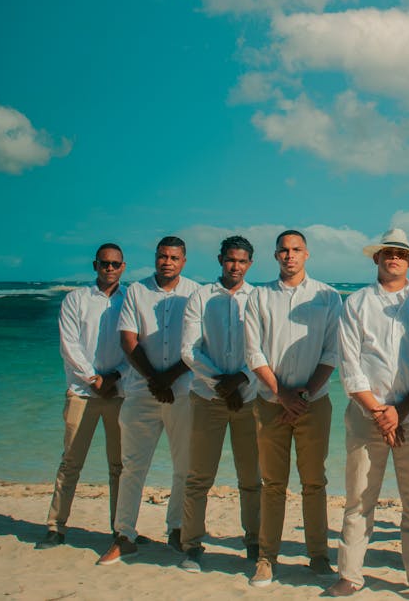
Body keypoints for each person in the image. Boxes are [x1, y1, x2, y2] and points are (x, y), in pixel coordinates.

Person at [325, 229, 409, 596]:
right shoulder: (356, 303)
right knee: (360, 495)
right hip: (365, 415)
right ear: (376, 258)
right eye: (387, 252)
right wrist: (380, 412)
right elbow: (349, 365)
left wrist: (400, 412)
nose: (394, 258)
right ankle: (350, 574)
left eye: (401, 253)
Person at [243, 229, 343, 587]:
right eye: (283, 250)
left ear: (307, 254)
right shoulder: (259, 296)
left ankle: (318, 556)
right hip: (270, 403)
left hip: (314, 404)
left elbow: (333, 352)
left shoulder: (328, 296)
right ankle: (267, 558)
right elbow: (253, 353)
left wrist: (301, 397)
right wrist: (282, 394)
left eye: (296, 250)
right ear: (275, 256)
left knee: (314, 482)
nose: (289, 256)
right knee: (272, 483)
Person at [99, 236, 200, 564]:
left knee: (183, 466)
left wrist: (168, 378)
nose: (167, 262)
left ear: (183, 261)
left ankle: (176, 529)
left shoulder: (195, 293)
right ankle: (124, 534)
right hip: (141, 392)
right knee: (132, 467)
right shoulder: (137, 292)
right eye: (161, 256)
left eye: (173, 257)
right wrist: (154, 379)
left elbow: (199, 343)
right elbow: (128, 340)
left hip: (182, 391)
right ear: (154, 259)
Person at [176, 235, 261, 572]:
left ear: (250, 264)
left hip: (249, 397)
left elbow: (264, 348)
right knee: (198, 476)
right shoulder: (200, 297)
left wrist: (241, 378)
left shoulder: (257, 298)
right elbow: (189, 350)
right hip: (207, 397)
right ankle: (192, 546)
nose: (235, 266)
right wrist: (221, 383)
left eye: (241, 261)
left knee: (251, 478)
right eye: (230, 260)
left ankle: (254, 542)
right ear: (220, 259)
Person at [37, 243, 127, 549]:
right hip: (82, 392)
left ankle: (120, 529)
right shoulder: (75, 299)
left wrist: (116, 377)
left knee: (119, 466)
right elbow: (69, 345)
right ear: (95, 265)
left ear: (123, 267)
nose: (110, 269)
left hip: (119, 392)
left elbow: (136, 344)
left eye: (115, 264)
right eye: (104, 264)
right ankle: (55, 526)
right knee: (71, 462)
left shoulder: (130, 299)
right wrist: (93, 378)